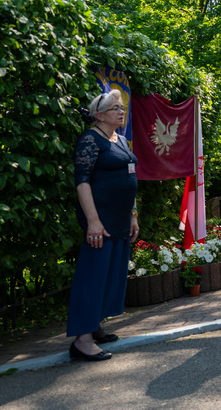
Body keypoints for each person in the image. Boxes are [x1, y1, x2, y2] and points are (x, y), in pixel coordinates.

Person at [68, 91, 139, 362]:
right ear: (99, 115)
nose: (121, 112)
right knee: (93, 276)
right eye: (115, 108)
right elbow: (82, 181)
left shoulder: (120, 140)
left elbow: (131, 176)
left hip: (120, 219)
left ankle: (94, 325)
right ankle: (82, 341)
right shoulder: (90, 139)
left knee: (109, 276)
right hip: (101, 220)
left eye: (122, 108)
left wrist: (133, 215)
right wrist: (93, 221)